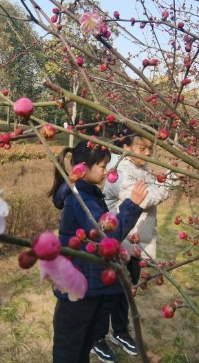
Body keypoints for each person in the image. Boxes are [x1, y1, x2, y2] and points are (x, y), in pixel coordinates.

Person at [48, 140, 148, 363]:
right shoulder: (80, 198)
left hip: (86, 283)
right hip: (79, 288)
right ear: (83, 168)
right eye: (102, 166)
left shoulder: (89, 194)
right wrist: (132, 205)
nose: (106, 172)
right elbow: (106, 236)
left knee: (82, 343)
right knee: (70, 348)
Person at [92, 130, 180, 362]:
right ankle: (97, 337)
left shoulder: (142, 169)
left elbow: (153, 188)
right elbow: (146, 198)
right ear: (127, 148)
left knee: (126, 292)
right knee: (108, 293)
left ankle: (120, 331)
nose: (148, 153)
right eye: (142, 149)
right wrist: (172, 178)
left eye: (150, 149)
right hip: (118, 243)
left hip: (136, 243)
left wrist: (167, 177)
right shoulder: (119, 172)